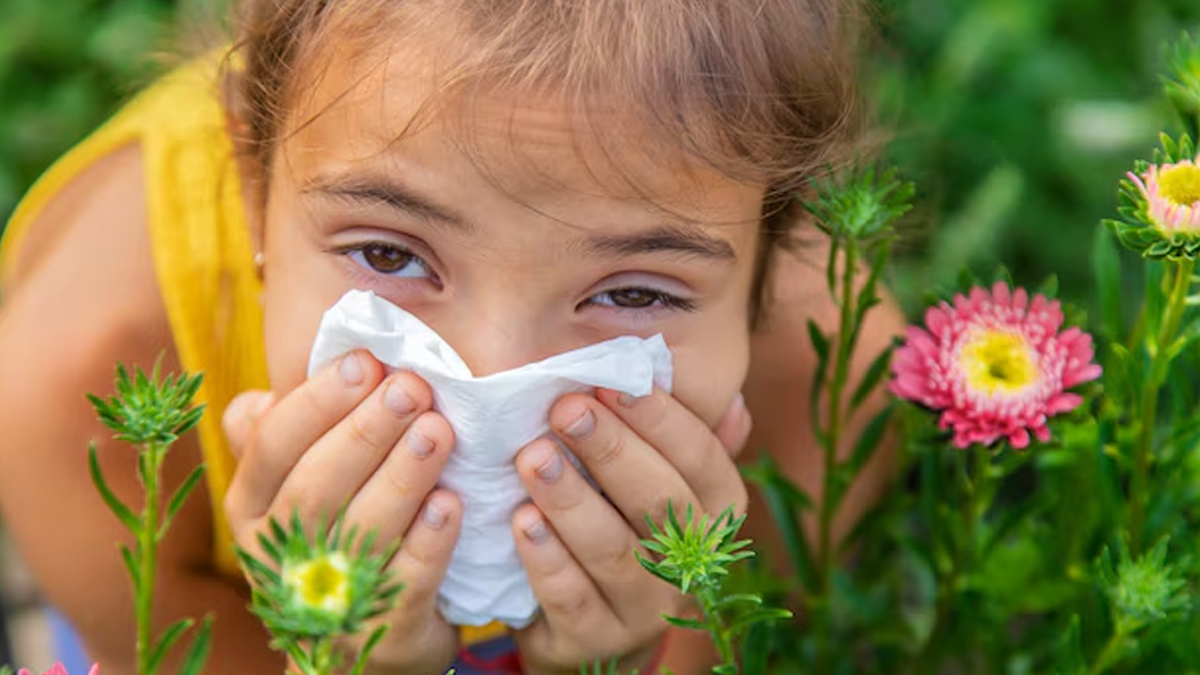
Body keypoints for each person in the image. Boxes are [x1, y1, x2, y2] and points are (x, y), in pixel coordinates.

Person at [0, 1, 902, 673]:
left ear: (768, 263)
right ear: (251, 189)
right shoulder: (77, 382)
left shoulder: (830, 388)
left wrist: (644, 650)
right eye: (389, 253)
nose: (487, 382)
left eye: (632, 289)